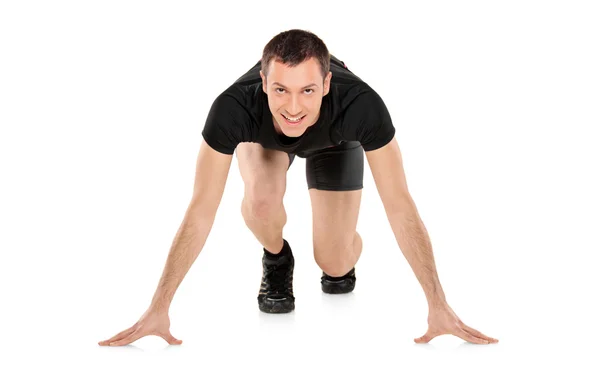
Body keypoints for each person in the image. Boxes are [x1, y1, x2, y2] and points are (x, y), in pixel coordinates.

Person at [99, 29, 498, 347]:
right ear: (263, 81)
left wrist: (437, 303)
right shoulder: (233, 109)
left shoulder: (361, 105)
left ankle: (340, 243)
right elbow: (201, 209)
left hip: (334, 142)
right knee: (259, 203)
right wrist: (159, 306)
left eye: (307, 90)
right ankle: (277, 258)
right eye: (280, 90)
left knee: (335, 263)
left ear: (326, 83)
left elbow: (400, 205)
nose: (293, 107)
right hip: (265, 144)